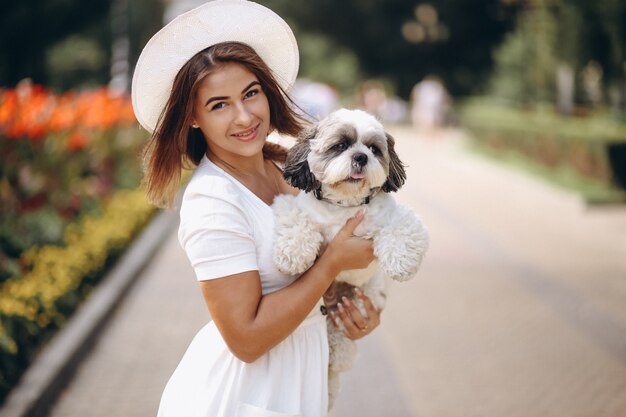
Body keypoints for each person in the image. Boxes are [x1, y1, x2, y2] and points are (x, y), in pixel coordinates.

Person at [131, 1, 381, 416]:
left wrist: (359, 311)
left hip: (302, 378)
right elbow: (245, 340)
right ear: (192, 118)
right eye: (219, 104)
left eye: (251, 93)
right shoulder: (211, 200)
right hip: (242, 395)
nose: (245, 116)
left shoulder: (290, 163)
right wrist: (332, 264)